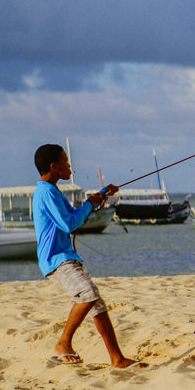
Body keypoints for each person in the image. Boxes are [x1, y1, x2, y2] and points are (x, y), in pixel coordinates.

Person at [32, 144, 146, 369]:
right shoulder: (45, 192)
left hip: (66, 257)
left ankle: (117, 359)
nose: (70, 165)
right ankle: (63, 343)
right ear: (54, 167)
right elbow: (69, 224)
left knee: (97, 305)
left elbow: (73, 215)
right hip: (56, 259)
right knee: (88, 293)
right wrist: (89, 204)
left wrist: (99, 197)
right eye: (65, 161)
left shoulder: (52, 191)